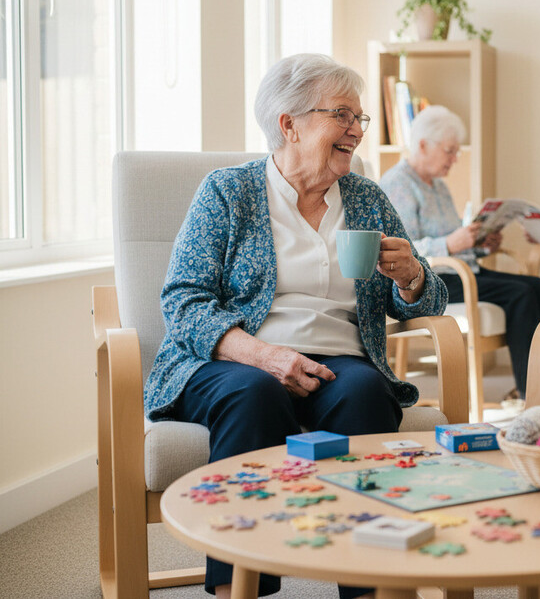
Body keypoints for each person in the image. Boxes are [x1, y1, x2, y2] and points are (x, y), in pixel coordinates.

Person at [143, 53, 448, 599]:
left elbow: (428, 302)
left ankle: (368, 583)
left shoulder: (367, 199)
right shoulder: (227, 193)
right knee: (254, 395)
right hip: (230, 361)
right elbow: (183, 302)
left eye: (360, 118)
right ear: (290, 123)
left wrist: (413, 277)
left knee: (367, 394)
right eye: (342, 115)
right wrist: (264, 355)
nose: (357, 130)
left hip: (340, 360)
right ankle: (239, 586)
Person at [379, 105, 540, 401]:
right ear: (423, 145)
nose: (455, 158)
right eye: (450, 151)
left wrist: (479, 245)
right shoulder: (397, 184)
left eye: (456, 151)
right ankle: (535, 393)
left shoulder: (438, 185)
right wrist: (452, 243)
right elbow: (400, 252)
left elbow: (455, 240)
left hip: (461, 269)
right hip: (434, 279)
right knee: (521, 294)